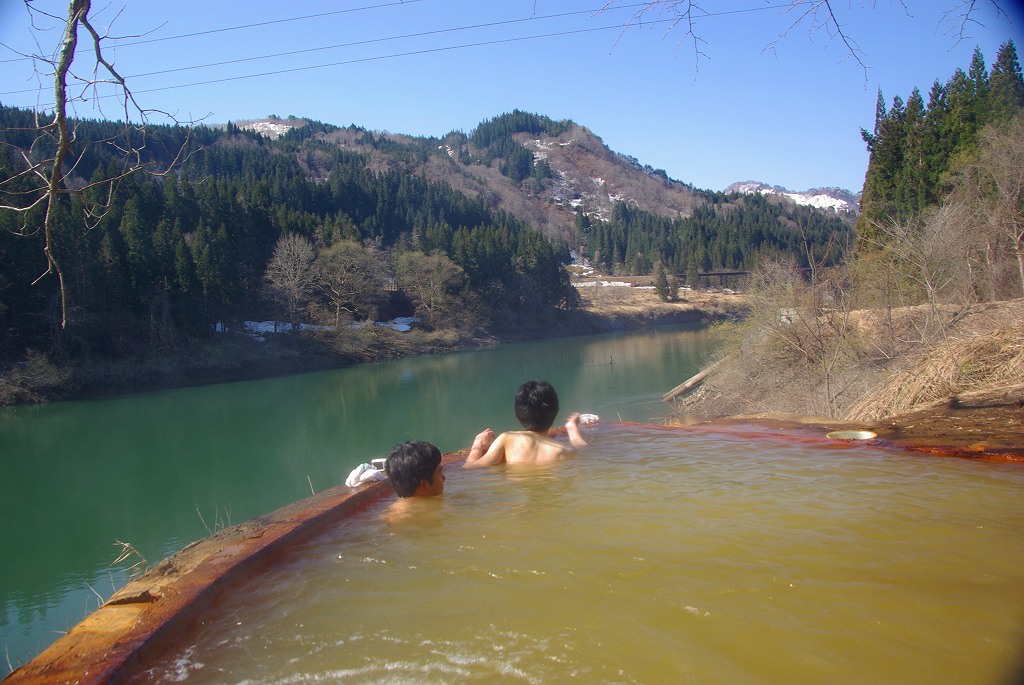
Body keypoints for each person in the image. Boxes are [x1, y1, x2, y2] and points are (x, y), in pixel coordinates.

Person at [464, 380, 588, 468]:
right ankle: (572, 428)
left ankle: (571, 427)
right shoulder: (566, 451)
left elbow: (472, 469)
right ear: (555, 411)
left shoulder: (507, 439)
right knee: (582, 449)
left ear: (518, 416)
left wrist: (477, 446)